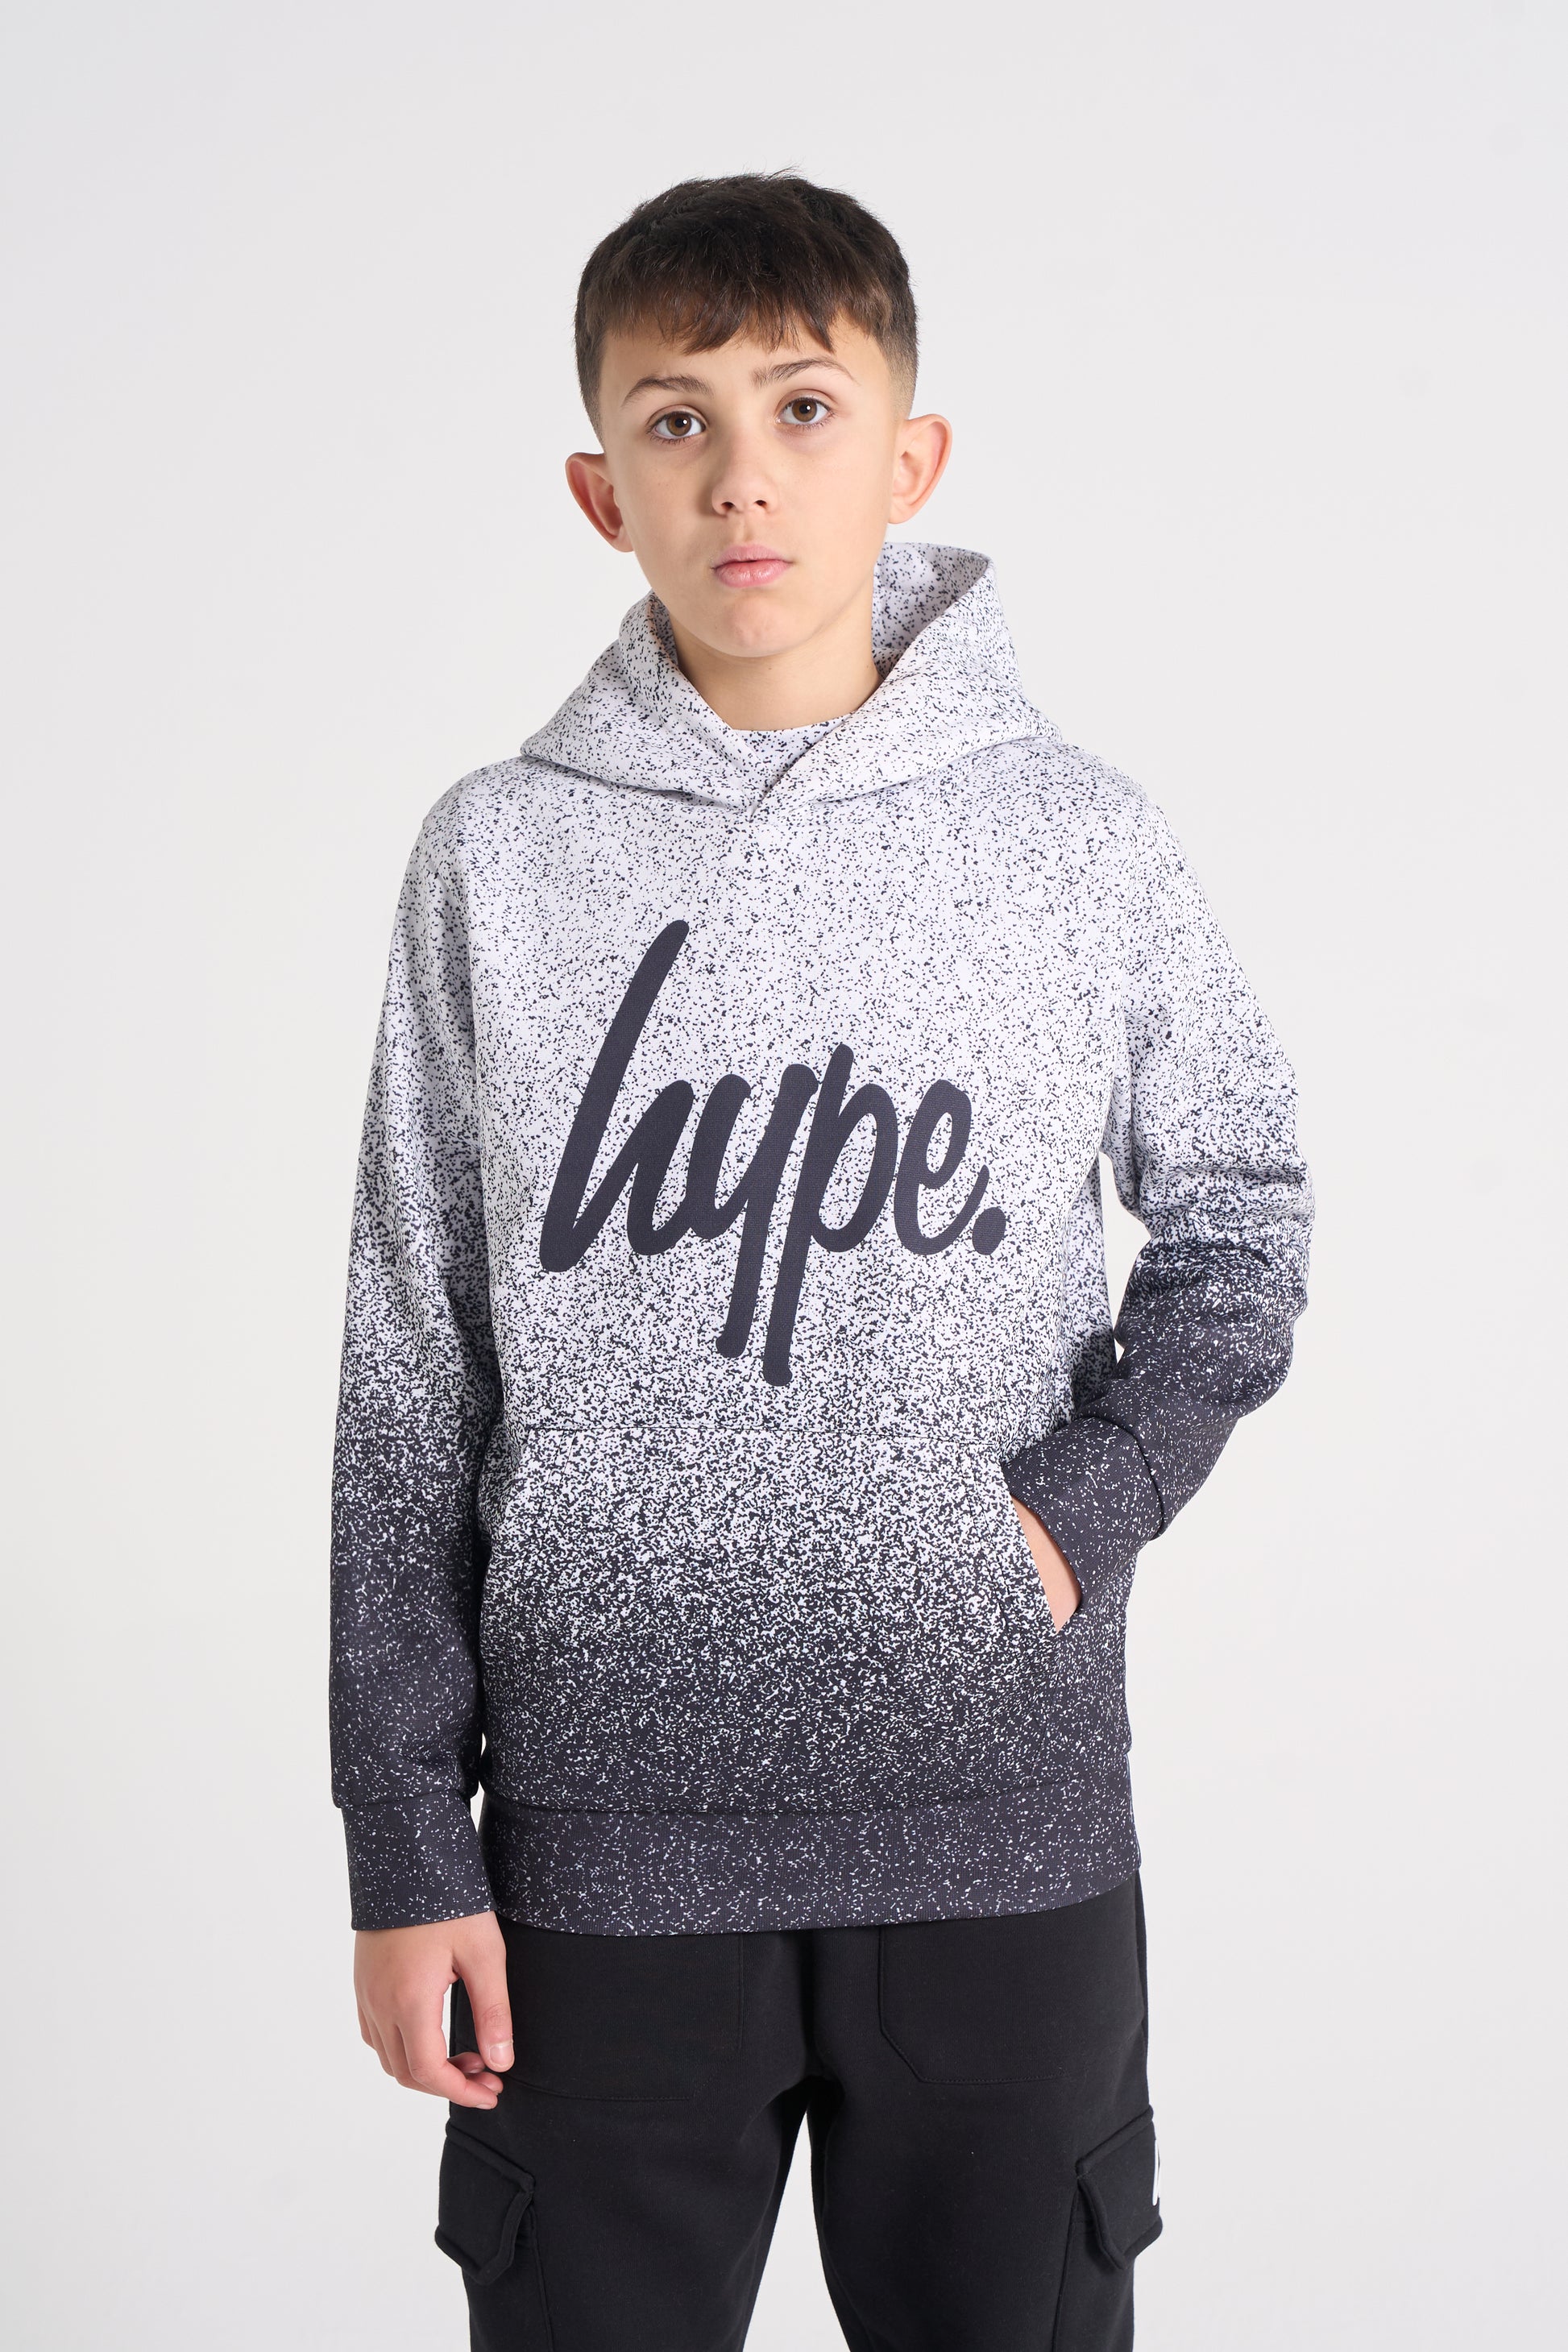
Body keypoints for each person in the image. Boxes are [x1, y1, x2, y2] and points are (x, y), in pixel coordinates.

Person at [330, 172, 1313, 2352]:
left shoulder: (1076, 841)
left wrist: (1082, 1508)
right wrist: (405, 1847)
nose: (743, 477)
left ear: (909, 457)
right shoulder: (496, 857)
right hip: (595, 1870)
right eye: (675, 422)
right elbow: (412, 1374)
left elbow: (1242, 1220)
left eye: (802, 407)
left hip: (1002, 1848)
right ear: (602, 490)